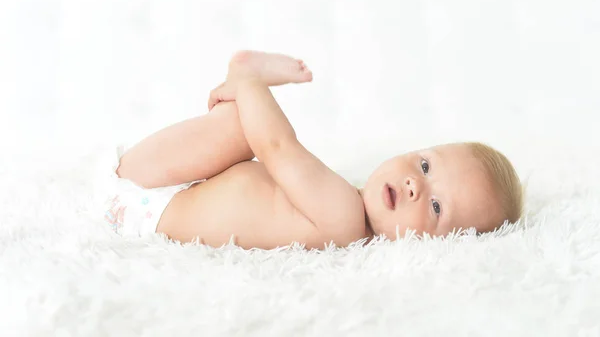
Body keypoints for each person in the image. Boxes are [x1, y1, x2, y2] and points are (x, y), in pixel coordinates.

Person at [104, 51, 523, 249]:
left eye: (435, 208)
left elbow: (277, 146)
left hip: (146, 200)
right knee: (242, 125)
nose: (415, 185)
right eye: (426, 165)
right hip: (165, 190)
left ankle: (242, 73)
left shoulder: (342, 218)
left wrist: (250, 85)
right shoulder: (346, 201)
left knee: (242, 126)